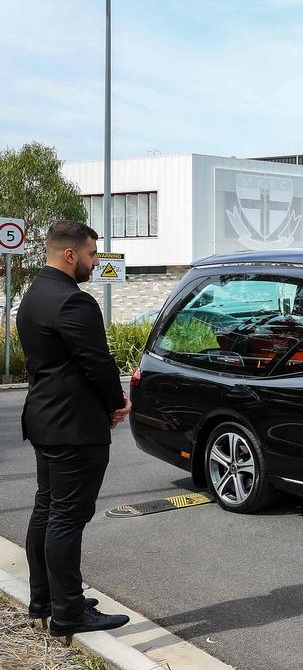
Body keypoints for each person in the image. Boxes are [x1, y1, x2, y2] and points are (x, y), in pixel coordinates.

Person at [16, 221, 131, 636]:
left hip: (44, 420)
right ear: (70, 254)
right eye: (91, 254)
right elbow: (97, 363)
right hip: (74, 426)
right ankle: (68, 611)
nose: (94, 262)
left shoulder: (32, 297)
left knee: (47, 508)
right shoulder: (73, 302)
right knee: (67, 516)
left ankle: (43, 597)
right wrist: (118, 405)